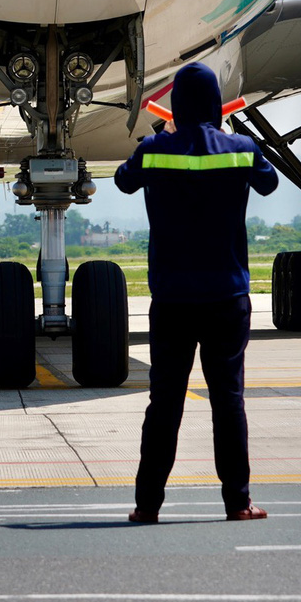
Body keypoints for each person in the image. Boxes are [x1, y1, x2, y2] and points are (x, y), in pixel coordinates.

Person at [114, 61, 278, 524]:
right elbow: (269, 183)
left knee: (164, 402)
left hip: (172, 298)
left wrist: (164, 134)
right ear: (215, 104)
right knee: (228, 401)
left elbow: (124, 182)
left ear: (175, 106)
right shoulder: (241, 149)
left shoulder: (153, 150)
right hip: (227, 296)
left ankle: (147, 505)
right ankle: (238, 502)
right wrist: (226, 136)